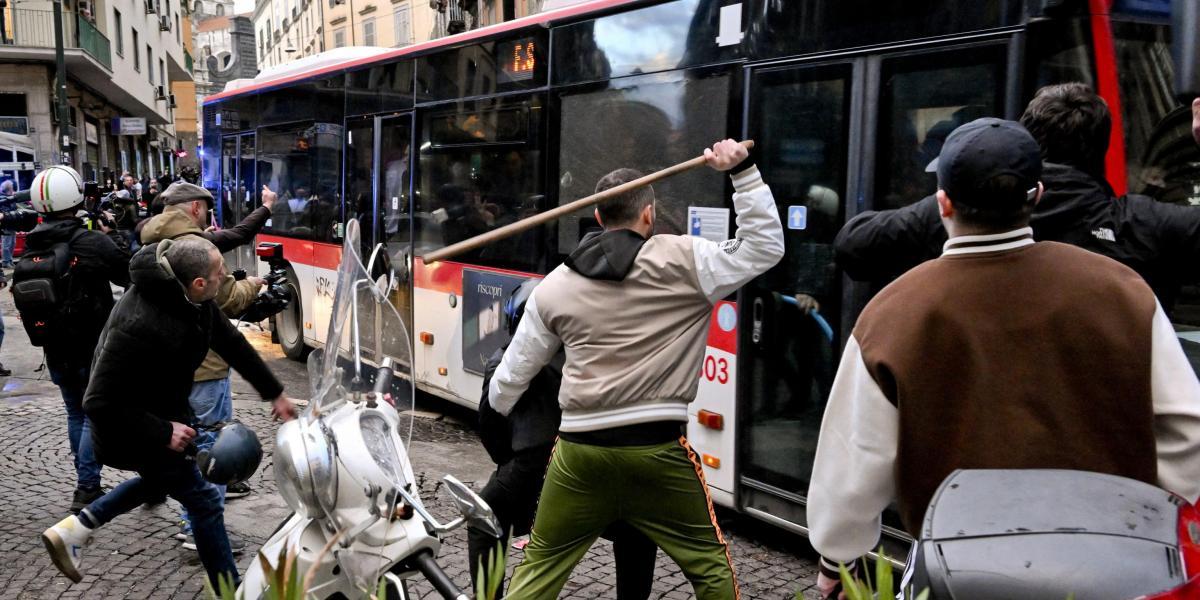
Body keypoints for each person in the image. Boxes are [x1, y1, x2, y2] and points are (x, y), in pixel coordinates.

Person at [806, 118, 1200, 597]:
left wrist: (837, 558)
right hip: (1111, 568)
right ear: (1036, 195)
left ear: (943, 202)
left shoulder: (892, 313)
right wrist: (1144, 514)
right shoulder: (1121, 291)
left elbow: (855, 463)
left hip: (958, 571)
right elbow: (1188, 430)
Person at [489, 140, 785, 599]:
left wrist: (502, 417)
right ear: (648, 215)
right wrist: (741, 172)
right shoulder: (687, 261)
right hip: (658, 450)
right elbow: (764, 247)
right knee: (709, 566)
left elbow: (511, 377)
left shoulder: (553, 287)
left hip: (579, 454)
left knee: (541, 565)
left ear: (600, 218)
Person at [39, 236, 298, 588]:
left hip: (166, 415)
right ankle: (230, 591)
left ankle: (77, 527)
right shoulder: (138, 324)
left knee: (165, 481)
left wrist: (275, 393)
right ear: (198, 283)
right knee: (204, 500)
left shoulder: (192, 298)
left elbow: (231, 343)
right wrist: (164, 432)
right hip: (134, 428)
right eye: (220, 274)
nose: (226, 279)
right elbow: (98, 402)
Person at [834, 83, 1200, 313]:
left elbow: (854, 244)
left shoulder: (967, 214)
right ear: (1103, 149)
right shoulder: (1143, 226)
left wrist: (949, 202)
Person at [472, 279, 658, 599]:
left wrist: (508, 464)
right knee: (637, 527)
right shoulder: (593, 356)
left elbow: (490, 428)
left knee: (483, 517)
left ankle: (489, 596)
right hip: (596, 466)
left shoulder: (505, 361)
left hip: (532, 470)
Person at [140, 181, 276, 546]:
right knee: (211, 448)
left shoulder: (152, 240)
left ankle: (189, 517)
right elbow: (229, 300)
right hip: (202, 364)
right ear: (197, 208)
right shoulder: (197, 247)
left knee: (186, 443)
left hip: (164, 363)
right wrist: (258, 285)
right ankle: (200, 530)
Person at [20, 165, 130, 511]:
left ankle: (87, 481)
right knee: (94, 412)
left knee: (75, 412)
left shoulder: (33, 244)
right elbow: (127, 270)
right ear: (76, 198)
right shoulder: (88, 240)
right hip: (93, 344)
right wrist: (112, 233)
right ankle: (86, 487)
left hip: (53, 343)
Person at [1, 179, 16, 268]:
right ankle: (6, 262)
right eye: (11, 188)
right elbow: (6, 211)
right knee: (7, 243)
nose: (12, 189)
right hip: (6, 224)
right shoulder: (2, 198)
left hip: (12, 223)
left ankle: (9, 260)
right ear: (8, 189)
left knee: (12, 243)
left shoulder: (10, 197)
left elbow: (14, 208)